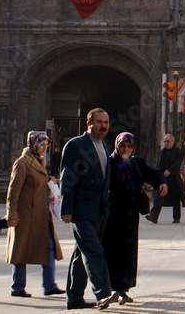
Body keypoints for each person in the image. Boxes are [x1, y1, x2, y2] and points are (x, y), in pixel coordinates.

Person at [60, 108, 115, 310]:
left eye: (106, 122)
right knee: (94, 252)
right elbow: (67, 178)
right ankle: (103, 293)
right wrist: (66, 208)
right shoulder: (76, 145)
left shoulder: (104, 145)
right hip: (80, 210)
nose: (103, 126)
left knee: (79, 255)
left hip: (99, 210)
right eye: (99, 122)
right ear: (88, 124)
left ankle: (74, 297)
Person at [102, 132, 167, 304]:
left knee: (128, 253)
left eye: (129, 146)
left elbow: (153, 174)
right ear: (116, 145)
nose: (125, 149)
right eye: (122, 145)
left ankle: (123, 290)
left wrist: (162, 182)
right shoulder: (109, 162)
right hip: (113, 216)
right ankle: (112, 289)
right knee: (113, 252)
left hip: (131, 216)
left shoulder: (136, 163)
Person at [6, 131, 65, 298]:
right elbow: (13, 190)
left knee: (49, 248)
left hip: (40, 215)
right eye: (41, 145)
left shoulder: (40, 161)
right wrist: (12, 214)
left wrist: (49, 182)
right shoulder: (23, 163)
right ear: (33, 144)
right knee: (20, 251)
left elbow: (37, 184)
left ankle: (49, 285)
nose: (43, 149)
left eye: (46, 146)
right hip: (25, 214)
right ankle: (17, 287)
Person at [146, 133, 184, 224]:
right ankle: (154, 216)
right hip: (163, 179)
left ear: (173, 141)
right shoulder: (162, 152)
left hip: (174, 179)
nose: (166, 143)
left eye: (168, 141)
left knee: (175, 199)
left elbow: (177, 164)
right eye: (165, 141)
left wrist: (170, 170)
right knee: (159, 196)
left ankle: (176, 218)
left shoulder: (179, 152)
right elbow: (158, 165)